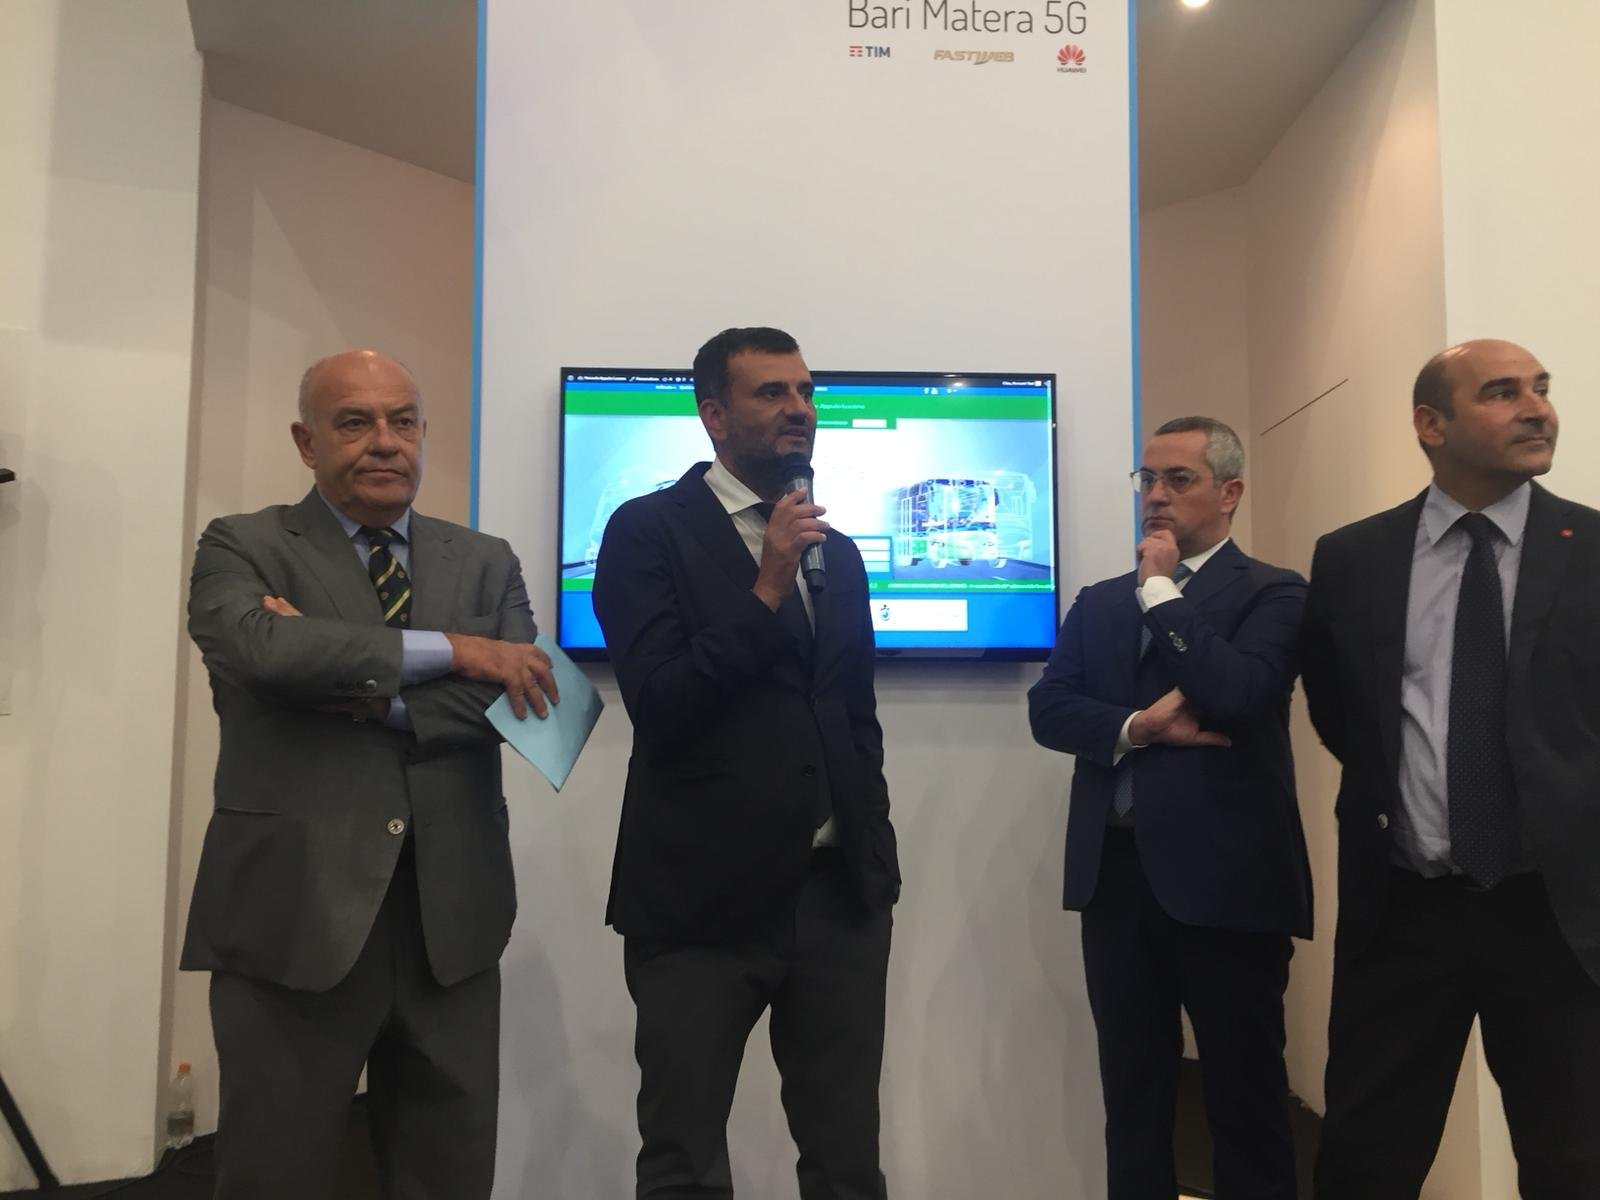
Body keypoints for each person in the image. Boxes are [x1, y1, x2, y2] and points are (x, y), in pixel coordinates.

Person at [182, 349, 558, 1198]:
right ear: (306, 441)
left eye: (403, 421)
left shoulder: (485, 558)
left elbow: (526, 695)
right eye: (354, 422)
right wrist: (458, 650)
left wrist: (357, 690)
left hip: (453, 921)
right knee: (274, 1176)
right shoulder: (243, 544)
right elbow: (263, 653)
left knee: (449, 1176)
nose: (384, 441)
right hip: (294, 914)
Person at [592, 326, 900, 1199]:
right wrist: (765, 587)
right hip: (699, 906)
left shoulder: (837, 551)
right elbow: (662, 702)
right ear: (714, 415)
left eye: (805, 391)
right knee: (684, 1162)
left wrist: (875, 859)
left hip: (836, 901)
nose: (798, 408)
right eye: (771, 392)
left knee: (846, 1161)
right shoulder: (647, 530)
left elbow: (853, 716)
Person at [1303, 339, 1600, 1197]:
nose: (1536, 409)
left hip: (1559, 918)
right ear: (1431, 425)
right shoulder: (1354, 558)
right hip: (1405, 909)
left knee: (1574, 1161)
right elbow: (1342, 712)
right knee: (1366, 1160)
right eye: (1502, 393)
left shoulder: (1592, 547)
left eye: (1541, 389)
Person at [1029, 416, 1311, 1200]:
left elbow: (1239, 694)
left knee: (1245, 1099)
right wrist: (1136, 727)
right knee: (1134, 1095)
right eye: (1146, 479)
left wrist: (1160, 590)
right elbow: (1049, 711)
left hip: (1231, 886)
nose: (1155, 496)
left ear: (1230, 492)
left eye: (1177, 480)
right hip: (1117, 882)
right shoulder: (1099, 603)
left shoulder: (1273, 592)